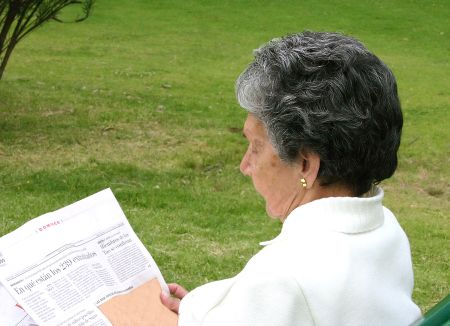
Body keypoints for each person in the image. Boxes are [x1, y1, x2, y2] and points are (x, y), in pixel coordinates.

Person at [160, 31, 422, 325]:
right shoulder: (386, 230)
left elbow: (288, 288)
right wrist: (207, 308)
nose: (245, 165)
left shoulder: (283, 275)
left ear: (306, 165)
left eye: (256, 146)